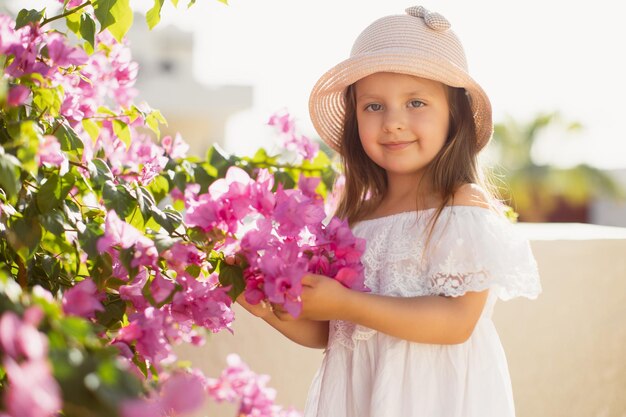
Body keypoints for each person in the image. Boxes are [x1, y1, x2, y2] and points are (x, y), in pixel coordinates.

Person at [238, 5, 542, 417]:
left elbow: (456, 323)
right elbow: (332, 331)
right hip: (360, 398)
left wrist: (346, 304)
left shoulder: (461, 207)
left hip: (435, 400)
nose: (393, 123)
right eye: (374, 106)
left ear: (454, 116)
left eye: (416, 103)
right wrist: (266, 305)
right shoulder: (353, 217)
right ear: (355, 118)